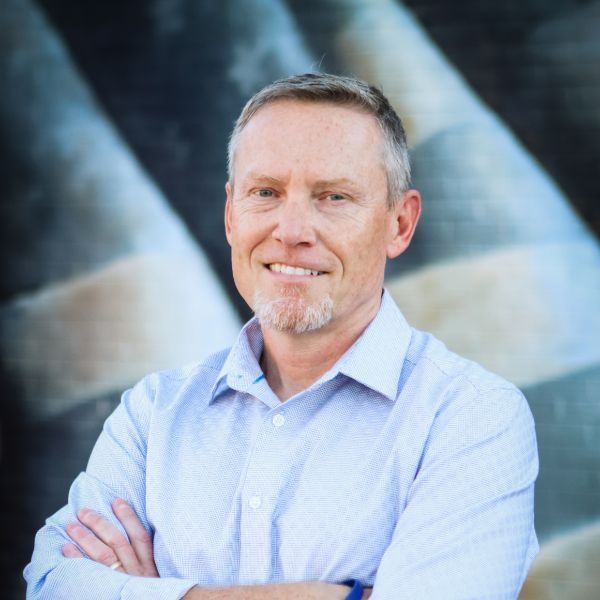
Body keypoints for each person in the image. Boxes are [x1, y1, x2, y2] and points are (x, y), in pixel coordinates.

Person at [24, 73, 539, 599]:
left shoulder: (471, 418)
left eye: (333, 197)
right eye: (266, 192)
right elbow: (49, 585)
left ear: (399, 224)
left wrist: (152, 592)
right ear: (231, 215)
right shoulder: (154, 414)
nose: (291, 232)